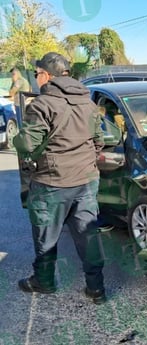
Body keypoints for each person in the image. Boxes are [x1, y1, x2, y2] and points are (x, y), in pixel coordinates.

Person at [13, 52, 107, 304]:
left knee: (46, 234)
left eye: (36, 74)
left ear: (46, 75)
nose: (35, 79)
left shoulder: (42, 105)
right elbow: (100, 141)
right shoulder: (87, 102)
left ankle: (44, 282)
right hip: (86, 181)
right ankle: (96, 287)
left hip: (51, 183)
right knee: (87, 232)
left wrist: (18, 139)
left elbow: (26, 144)